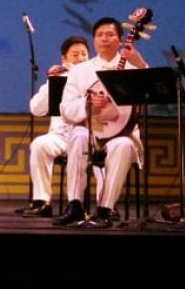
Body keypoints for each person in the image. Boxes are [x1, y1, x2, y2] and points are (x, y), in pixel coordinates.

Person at [53, 16, 147, 228]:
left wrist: (141, 65)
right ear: (94, 39)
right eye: (99, 35)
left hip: (122, 133)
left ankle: (105, 209)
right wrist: (88, 104)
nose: (104, 38)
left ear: (120, 39)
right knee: (78, 135)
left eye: (110, 34)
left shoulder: (132, 69)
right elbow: (66, 110)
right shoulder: (79, 71)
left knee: (123, 145)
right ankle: (75, 204)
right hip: (90, 131)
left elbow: (148, 97)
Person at [21, 35, 90, 217]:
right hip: (60, 136)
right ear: (64, 59)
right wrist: (51, 82)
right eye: (75, 55)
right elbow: (36, 109)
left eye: (84, 54)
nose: (81, 58)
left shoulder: (94, 77)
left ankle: (95, 206)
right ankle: (42, 202)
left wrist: (77, 76)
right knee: (39, 144)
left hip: (88, 135)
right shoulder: (59, 78)